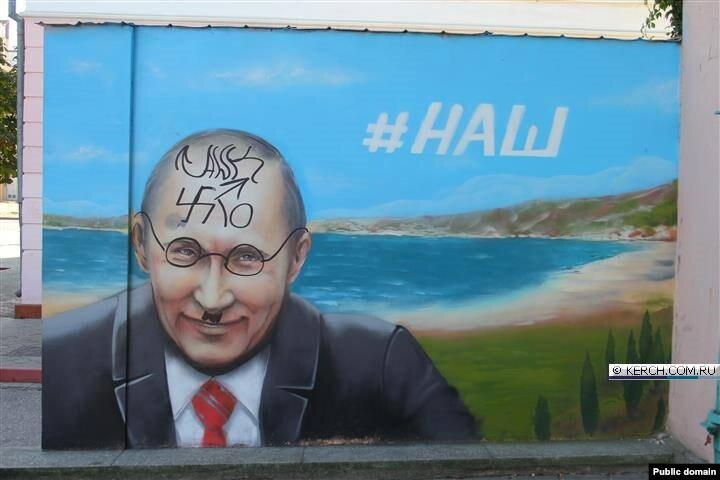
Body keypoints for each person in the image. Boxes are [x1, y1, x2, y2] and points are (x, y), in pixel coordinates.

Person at [42, 129, 477, 449]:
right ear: (141, 244)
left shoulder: (383, 367)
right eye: (185, 252)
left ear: (297, 258)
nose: (212, 299)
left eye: (247, 257)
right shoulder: (64, 360)